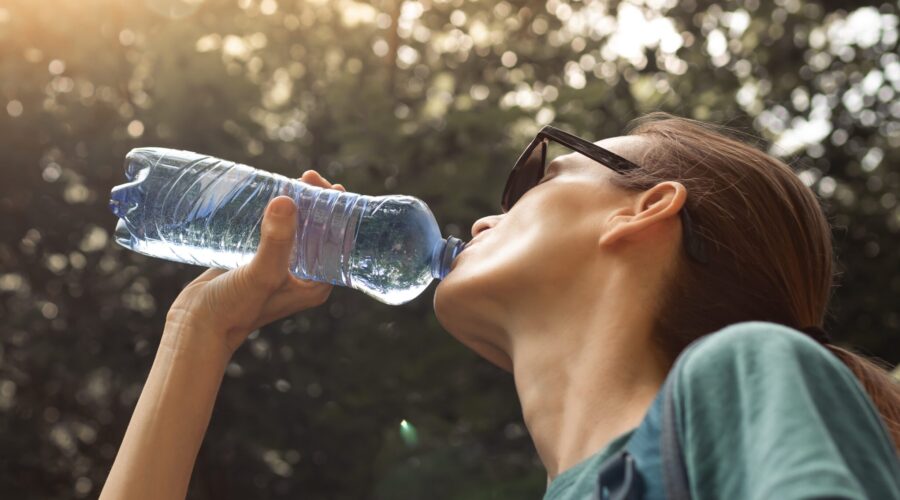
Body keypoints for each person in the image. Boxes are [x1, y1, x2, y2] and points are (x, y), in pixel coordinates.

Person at [100, 113, 900, 499]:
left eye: (536, 181)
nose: (486, 216)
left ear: (643, 209)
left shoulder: (745, 375)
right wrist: (201, 331)